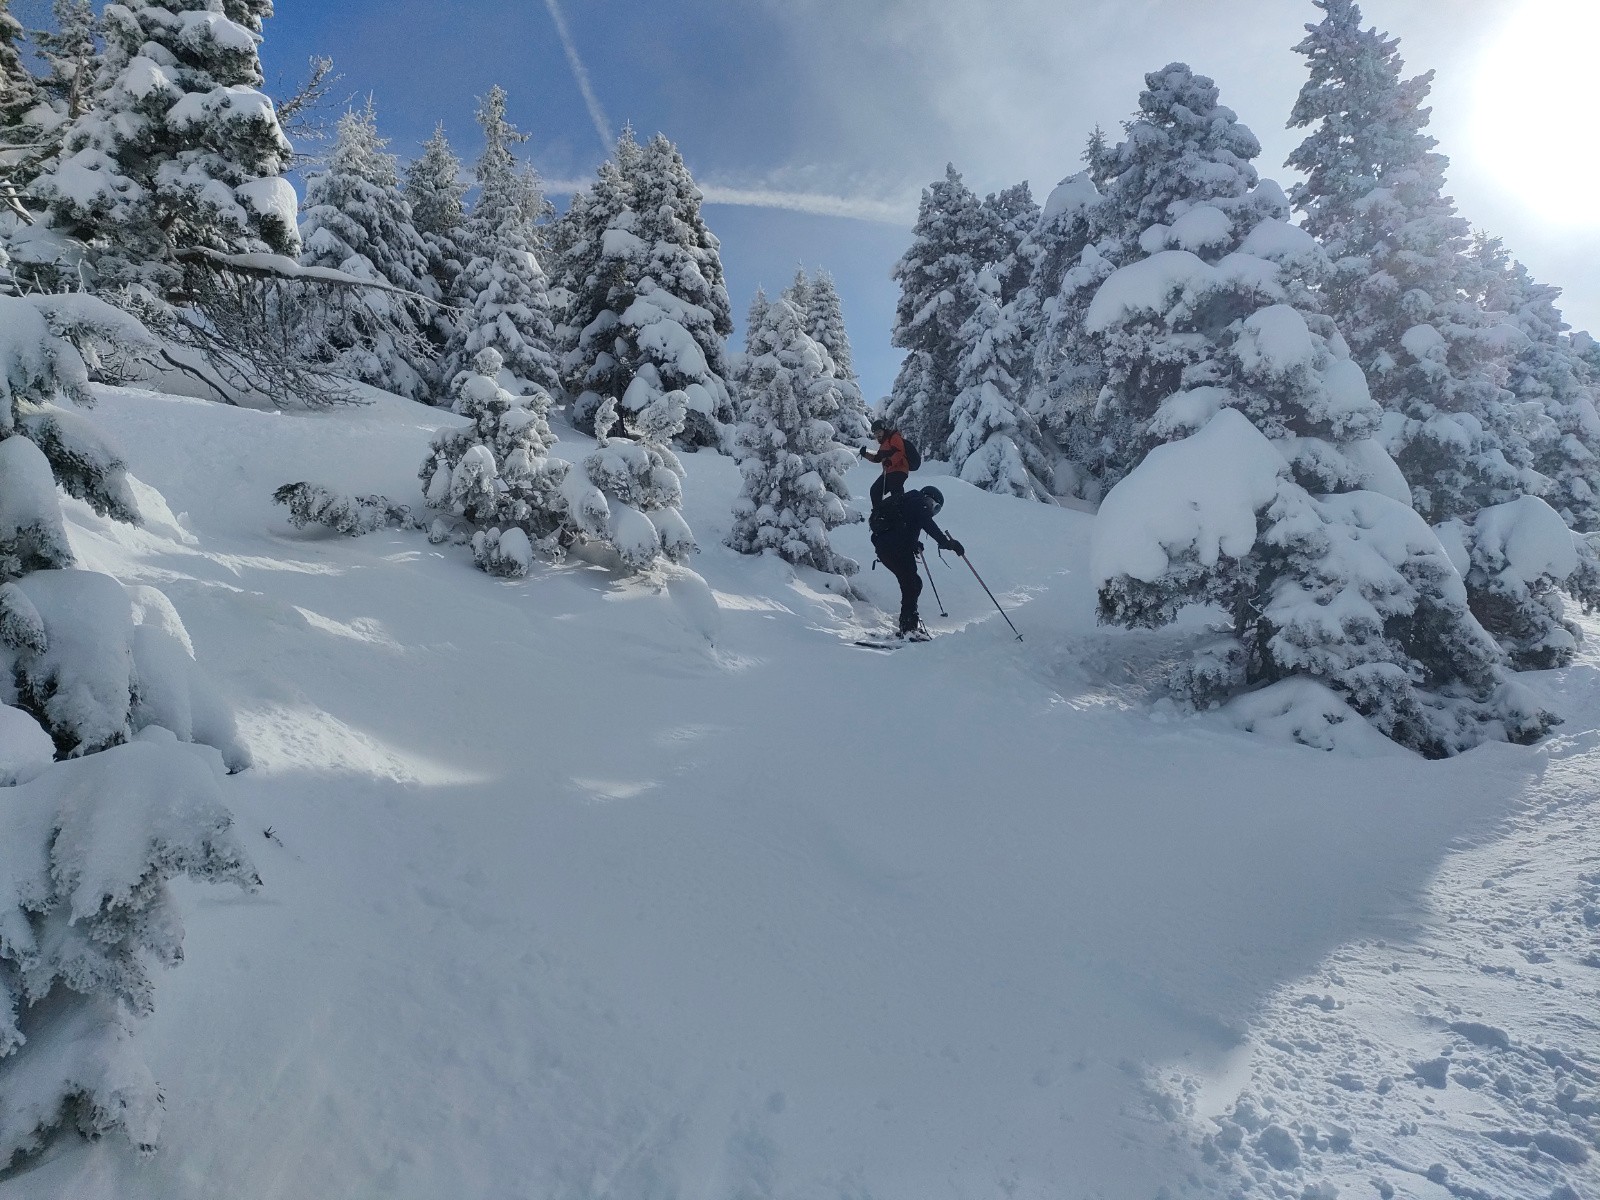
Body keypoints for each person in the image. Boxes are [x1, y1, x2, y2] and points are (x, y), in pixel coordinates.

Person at [869, 485, 963, 638]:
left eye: (937, 509)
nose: (933, 511)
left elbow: (901, 527)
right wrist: (946, 543)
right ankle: (908, 629)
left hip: (885, 548)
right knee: (911, 584)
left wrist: (914, 543)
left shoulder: (908, 502)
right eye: (935, 506)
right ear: (928, 498)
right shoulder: (918, 502)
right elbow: (928, 524)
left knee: (913, 583)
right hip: (896, 548)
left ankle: (908, 625)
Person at [862, 417, 910, 507]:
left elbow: (900, 451)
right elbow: (877, 458)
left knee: (896, 492)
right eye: (875, 433)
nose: (878, 435)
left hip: (899, 470)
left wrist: (890, 461)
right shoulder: (884, 444)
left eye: (879, 432)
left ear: (884, 429)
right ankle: (878, 513)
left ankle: (900, 513)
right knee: (875, 490)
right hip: (888, 471)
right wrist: (865, 454)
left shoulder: (894, 437)